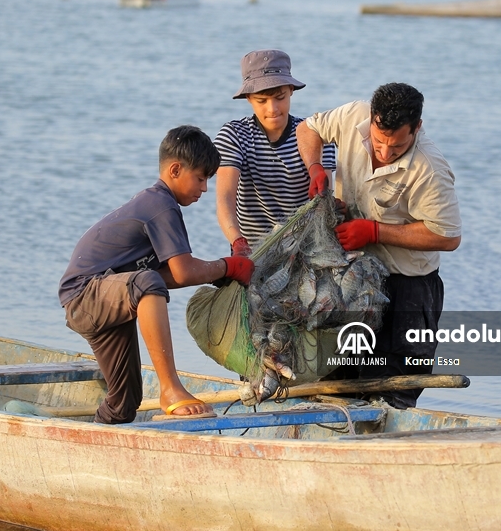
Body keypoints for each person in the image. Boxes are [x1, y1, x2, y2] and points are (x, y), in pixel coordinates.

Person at [58, 126, 254, 424]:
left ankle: (92, 437)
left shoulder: (160, 204)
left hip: (109, 296)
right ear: (175, 169)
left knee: (124, 403)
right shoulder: (160, 205)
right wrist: (229, 266)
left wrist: (220, 271)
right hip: (85, 295)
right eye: (200, 178)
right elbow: (183, 272)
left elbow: (172, 274)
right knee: (147, 282)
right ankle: (170, 388)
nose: (204, 188)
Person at [296, 83, 462, 408]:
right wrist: (316, 167)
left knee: (395, 390)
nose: (384, 153)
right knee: (335, 381)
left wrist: (374, 231)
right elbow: (308, 129)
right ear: (371, 119)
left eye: (397, 147)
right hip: (350, 278)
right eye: (378, 142)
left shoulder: (430, 170)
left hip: (407, 289)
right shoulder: (352, 114)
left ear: (417, 128)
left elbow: (448, 236)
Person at [215, 49, 336, 256]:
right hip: (253, 250)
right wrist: (237, 242)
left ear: (291, 90)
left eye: (279, 97)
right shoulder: (234, 135)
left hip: (305, 250)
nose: (272, 109)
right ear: (249, 99)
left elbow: (324, 203)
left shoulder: (317, 135)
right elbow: (225, 199)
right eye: (261, 101)